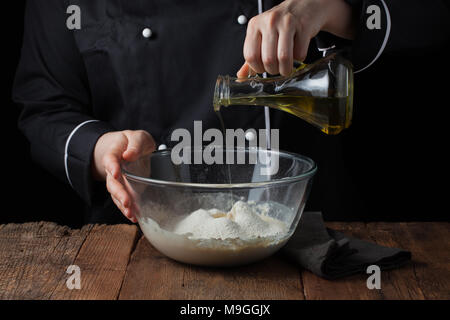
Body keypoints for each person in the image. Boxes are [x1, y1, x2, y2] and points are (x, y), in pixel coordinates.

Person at [13, 0, 450, 224]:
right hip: (140, 244)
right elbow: (45, 105)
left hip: (313, 239)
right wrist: (100, 148)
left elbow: (433, 17)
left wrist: (332, 6)